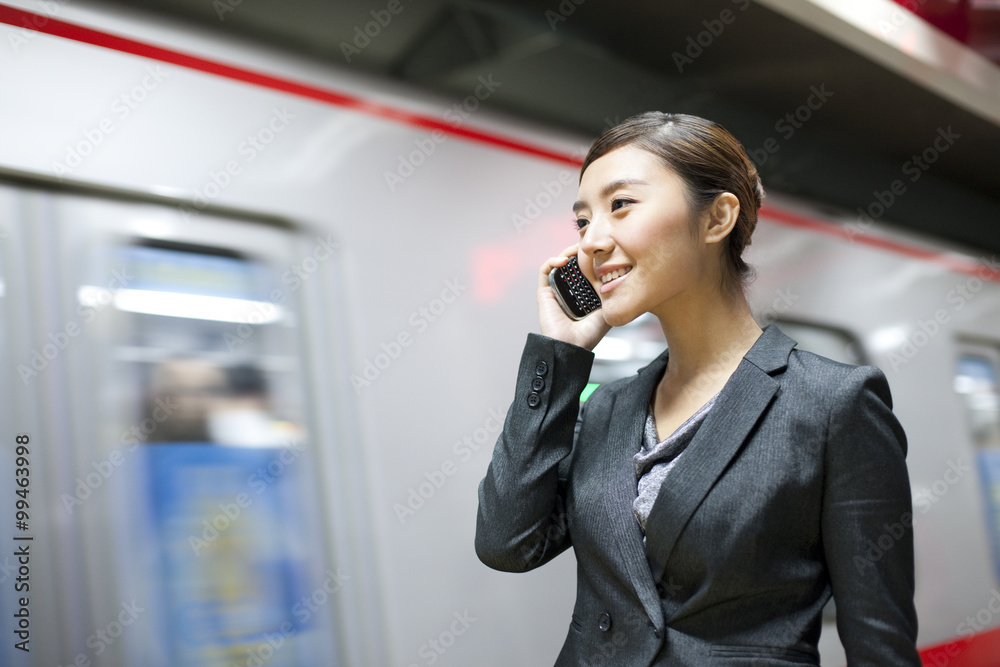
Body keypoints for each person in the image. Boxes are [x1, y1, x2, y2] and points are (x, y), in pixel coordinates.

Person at [475, 112, 919, 665]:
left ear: (718, 218)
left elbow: (881, 645)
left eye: (621, 205)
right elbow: (506, 543)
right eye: (582, 222)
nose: (591, 241)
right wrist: (560, 354)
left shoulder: (834, 404)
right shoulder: (610, 408)